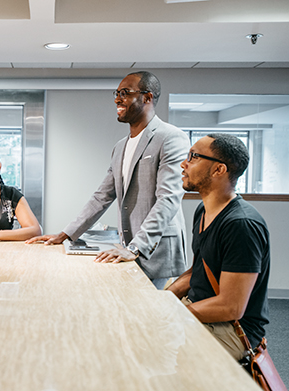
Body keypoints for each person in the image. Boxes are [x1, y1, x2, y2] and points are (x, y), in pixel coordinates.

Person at [27, 71, 189, 289]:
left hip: (154, 249)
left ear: (147, 97)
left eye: (125, 93)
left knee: (145, 314)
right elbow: (102, 196)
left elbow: (168, 199)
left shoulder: (170, 137)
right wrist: (65, 234)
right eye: (117, 93)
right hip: (129, 246)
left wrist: (134, 247)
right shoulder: (121, 146)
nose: (117, 99)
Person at [168, 134, 269, 360]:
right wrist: (162, 299)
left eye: (193, 157)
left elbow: (231, 307)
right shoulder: (203, 211)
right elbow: (199, 271)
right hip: (199, 307)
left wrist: (173, 314)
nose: (184, 164)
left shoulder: (241, 224)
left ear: (218, 170)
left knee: (148, 346)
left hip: (232, 328)